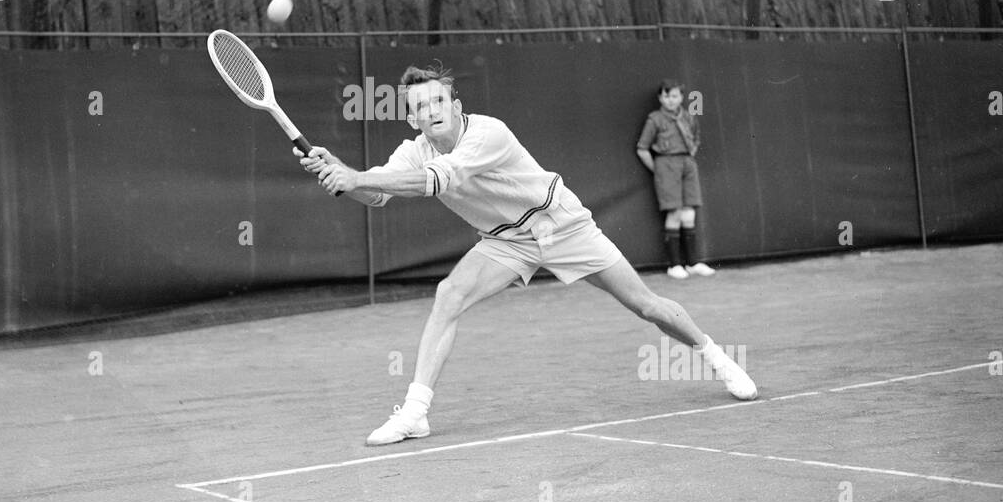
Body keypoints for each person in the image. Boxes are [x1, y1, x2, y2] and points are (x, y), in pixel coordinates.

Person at [296, 64, 758, 446]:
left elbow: (437, 180)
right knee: (448, 294)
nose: (430, 110)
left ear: (455, 107)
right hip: (504, 241)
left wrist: (355, 178)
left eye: (438, 101)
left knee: (645, 306)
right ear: (412, 119)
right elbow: (377, 194)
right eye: (420, 106)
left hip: (558, 220)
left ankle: (717, 357)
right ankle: (416, 413)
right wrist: (341, 175)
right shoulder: (412, 152)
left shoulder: (487, 133)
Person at [636, 80, 714, 281]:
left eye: (674, 96)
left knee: (689, 212)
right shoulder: (655, 119)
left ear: (681, 97)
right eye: (666, 96)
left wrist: (690, 154)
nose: (670, 100)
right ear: (660, 98)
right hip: (666, 164)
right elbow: (642, 148)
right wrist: (660, 170)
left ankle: (693, 263)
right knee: (675, 212)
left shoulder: (688, 117)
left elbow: (695, 137)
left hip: (687, 163)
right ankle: (675, 265)